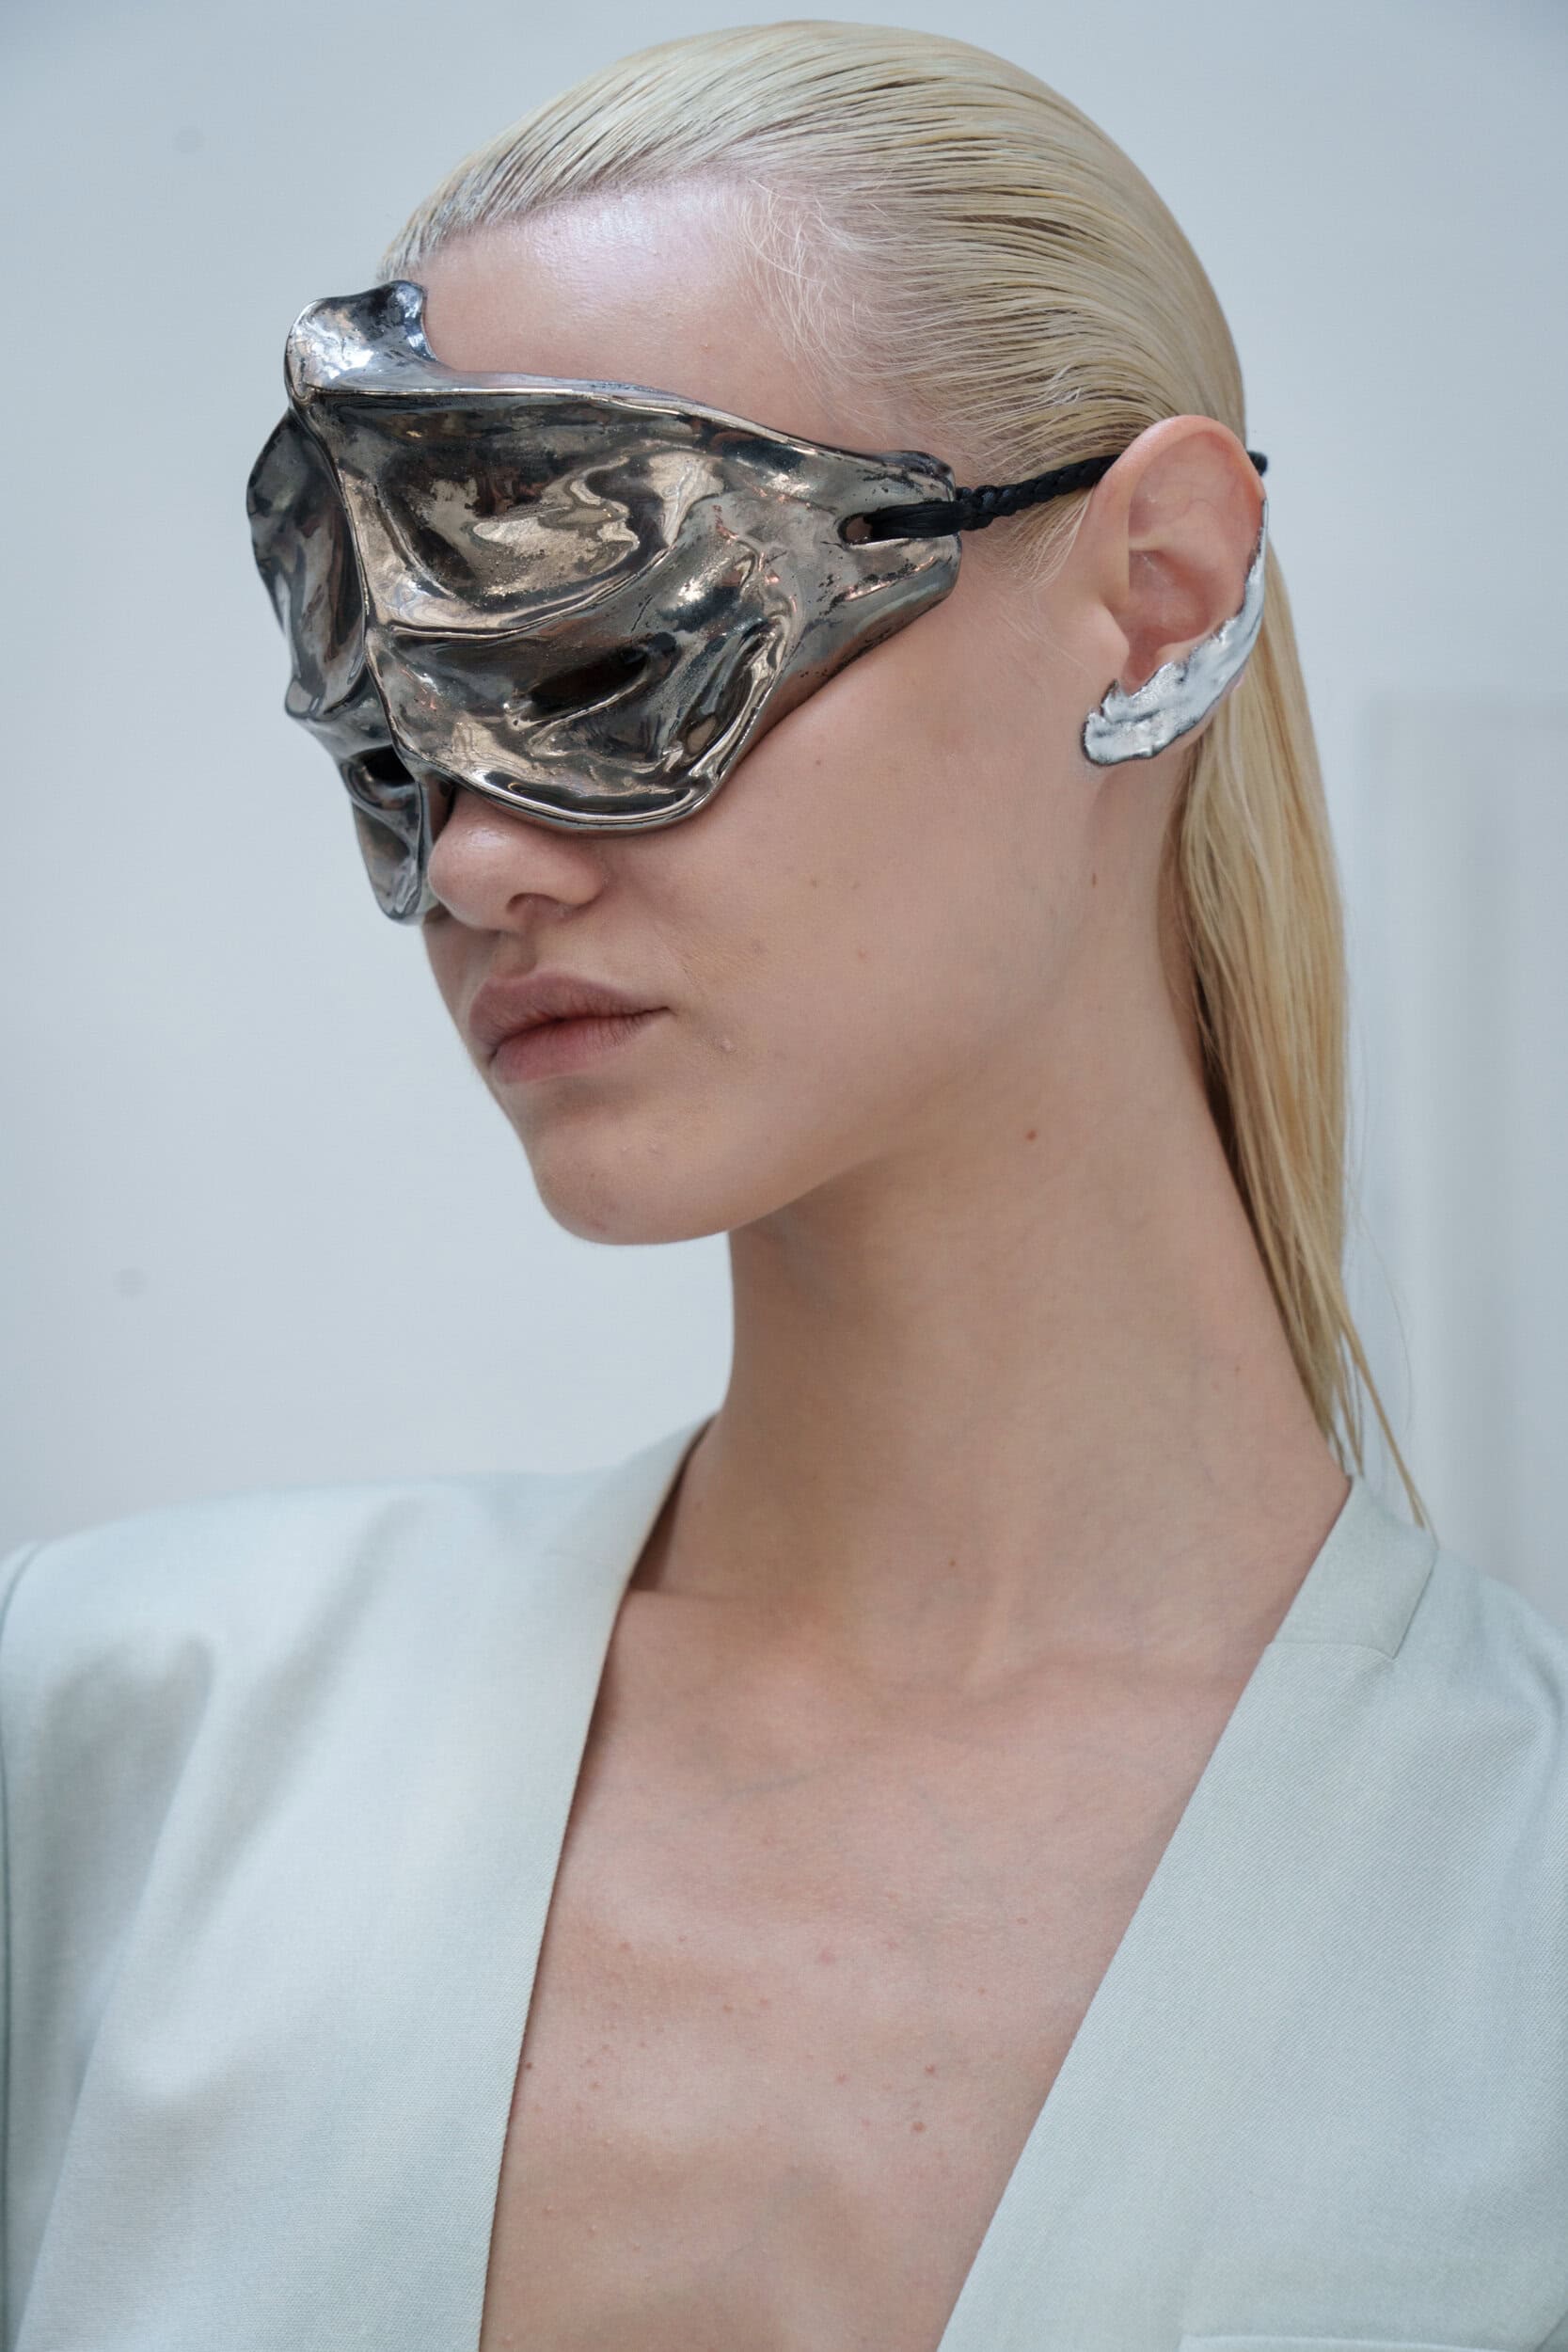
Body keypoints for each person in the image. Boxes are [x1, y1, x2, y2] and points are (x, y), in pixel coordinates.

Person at [4, 22, 1565, 2352]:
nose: (478, 863)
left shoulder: (1523, 1939)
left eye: (618, 653)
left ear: (1155, 589)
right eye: (392, 746)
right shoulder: (103, 1747)